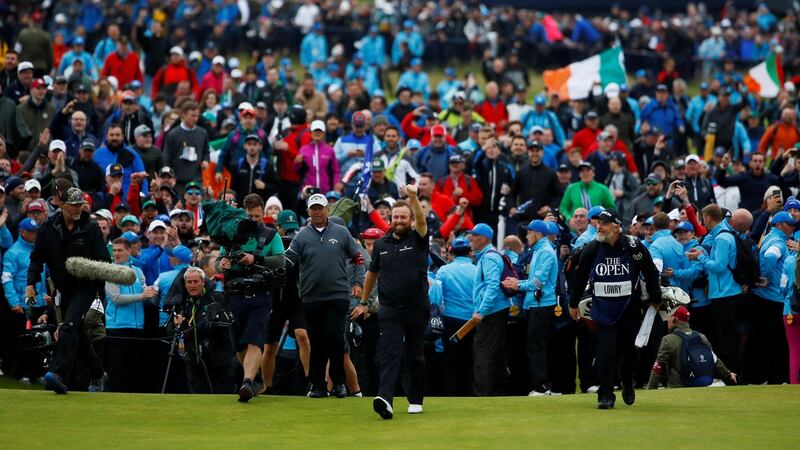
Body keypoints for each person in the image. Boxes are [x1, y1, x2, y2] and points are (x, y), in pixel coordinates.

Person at [568, 209, 662, 409]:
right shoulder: (592, 248)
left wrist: (655, 297)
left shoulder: (633, 246)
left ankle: (627, 382)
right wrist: (573, 303)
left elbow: (651, 272)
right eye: (598, 223)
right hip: (602, 310)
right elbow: (580, 277)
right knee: (605, 352)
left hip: (629, 310)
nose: (599, 227)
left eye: (604, 223)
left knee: (628, 353)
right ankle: (606, 394)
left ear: (617, 226)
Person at [352, 185, 428, 419]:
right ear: (391, 219)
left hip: (416, 307)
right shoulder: (382, 244)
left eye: (403, 217)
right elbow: (371, 274)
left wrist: (413, 197)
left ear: (410, 219)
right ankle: (385, 398)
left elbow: (422, 222)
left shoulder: (418, 238)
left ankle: (415, 398)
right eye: (395, 217)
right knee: (389, 353)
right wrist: (364, 301)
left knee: (414, 354)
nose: (399, 220)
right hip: (390, 308)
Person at [27, 187, 110, 394]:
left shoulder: (91, 229)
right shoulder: (47, 228)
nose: (78, 208)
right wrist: (31, 284)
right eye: (74, 204)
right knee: (76, 331)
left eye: (81, 204)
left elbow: (104, 261)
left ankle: (58, 375)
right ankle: (98, 372)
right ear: (62, 205)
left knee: (69, 324)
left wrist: (86, 268)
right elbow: (36, 259)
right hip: (62, 288)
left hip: (86, 286)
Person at [285, 193, 364, 398]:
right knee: (317, 341)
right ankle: (318, 385)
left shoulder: (341, 232)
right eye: (314, 208)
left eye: (321, 208)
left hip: (338, 294)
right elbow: (288, 259)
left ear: (327, 209)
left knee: (334, 337)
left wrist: (358, 282)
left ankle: (339, 383)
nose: (317, 212)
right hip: (311, 297)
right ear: (308, 211)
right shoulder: (301, 236)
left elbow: (357, 258)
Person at [217, 194, 285, 402]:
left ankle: (247, 382)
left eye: (257, 216)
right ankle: (253, 378)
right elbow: (219, 259)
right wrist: (223, 264)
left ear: (263, 214)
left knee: (255, 340)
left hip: (260, 294)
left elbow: (281, 261)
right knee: (240, 344)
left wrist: (256, 259)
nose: (254, 220)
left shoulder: (271, 235)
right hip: (236, 294)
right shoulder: (231, 235)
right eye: (250, 216)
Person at [686, 204, 743, 381]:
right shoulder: (722, 234)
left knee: (726, 339)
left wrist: (700, 257)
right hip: (726, 292)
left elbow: (718, 267)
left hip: (725, 294)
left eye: (704, 218)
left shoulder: (722, 238)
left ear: (709, 218)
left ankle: (731, 377)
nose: (704, 222)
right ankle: (733, 376)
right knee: (726, 337)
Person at [502, 220, 559, 396]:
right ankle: (544, 385)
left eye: (529, 233)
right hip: (537, 304)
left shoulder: (545, 252)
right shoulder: (539, 251)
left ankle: (542, 387)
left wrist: (517, 284)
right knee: (537, 346)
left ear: (538, 234)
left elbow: (538, 282)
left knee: (536, 347)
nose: (526, 236)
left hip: (541, 305)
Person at [260, 210, 310, 395]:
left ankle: (311, 382)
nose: (289, 234)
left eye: (292, 230)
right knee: (269, 345)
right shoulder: (271, 242)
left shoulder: (301, 243)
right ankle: (266, 386)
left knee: (303, 335)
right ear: (277, 227)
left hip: (296, 297)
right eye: (285, 230)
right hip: (275, 298)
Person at [104, 237, 155, 393]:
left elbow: (145, 291)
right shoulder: (111, 271)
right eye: (115, 251)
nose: (117, 254)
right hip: (117, 327)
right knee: (117, 370)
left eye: (120, 250)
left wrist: (150, 292)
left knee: (135, 368)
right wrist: (142, 296)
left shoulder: (138, 271)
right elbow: (116, 298)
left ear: (128, 251)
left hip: (137, 326)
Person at [646, 306, 737, 389]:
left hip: (677, 389)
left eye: (669, 317)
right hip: (701, 387)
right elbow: (715, 361)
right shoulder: (702, 337)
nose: (667, 320)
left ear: (675, 320)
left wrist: (650, 389)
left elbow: (658, 368)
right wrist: (728, 375)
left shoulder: (668, 340)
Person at [469, 223, 510, 396]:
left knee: (483, 353)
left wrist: (481, 311)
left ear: (484, 238)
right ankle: (496, 393)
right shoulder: (488, 256)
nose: (471, 238)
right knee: (496, 354)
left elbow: (493, 286)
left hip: (492, 311)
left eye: (474, 235)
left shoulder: (489, 257)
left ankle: (482, 395)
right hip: (498, 309)